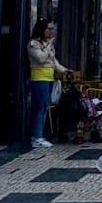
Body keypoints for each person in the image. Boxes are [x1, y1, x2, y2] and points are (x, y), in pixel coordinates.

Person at [27, 19, 69, 149]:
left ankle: (37, 135)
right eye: (49, 29)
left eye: (52, 29)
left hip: (49, 78)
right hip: (39, 78)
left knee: (42, 107)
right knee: (41, 107)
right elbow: (40, 59)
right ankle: (37, 137)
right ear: (42, 29)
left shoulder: (47, 45)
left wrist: (65, 70)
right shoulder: (34, 44)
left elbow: (53, 62)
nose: (51, 32)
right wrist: (48, 46)